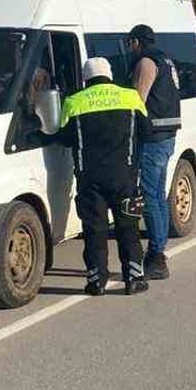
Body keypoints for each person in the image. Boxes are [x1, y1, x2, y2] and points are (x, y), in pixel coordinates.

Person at [58, 58, 151, 296]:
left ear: (85, 78)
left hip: (90, 179)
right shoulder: (130, 97)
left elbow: (65, 137)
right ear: (109, 75)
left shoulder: (74, 102)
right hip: (124, 176)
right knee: (127, 228)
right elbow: (147, 132)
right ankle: (134, 278)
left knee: (94, 230)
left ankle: (96, 280)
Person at [127, 24, 180, 281]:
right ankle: (158, 251)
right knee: (158, 196)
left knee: (150, 197)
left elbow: (137, 99)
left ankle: (157, 256)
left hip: (152, 137)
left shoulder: (147, 62)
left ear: (137, 42)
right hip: (167, 135)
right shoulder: (166, 60)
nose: (130, 49)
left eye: (131, 44)